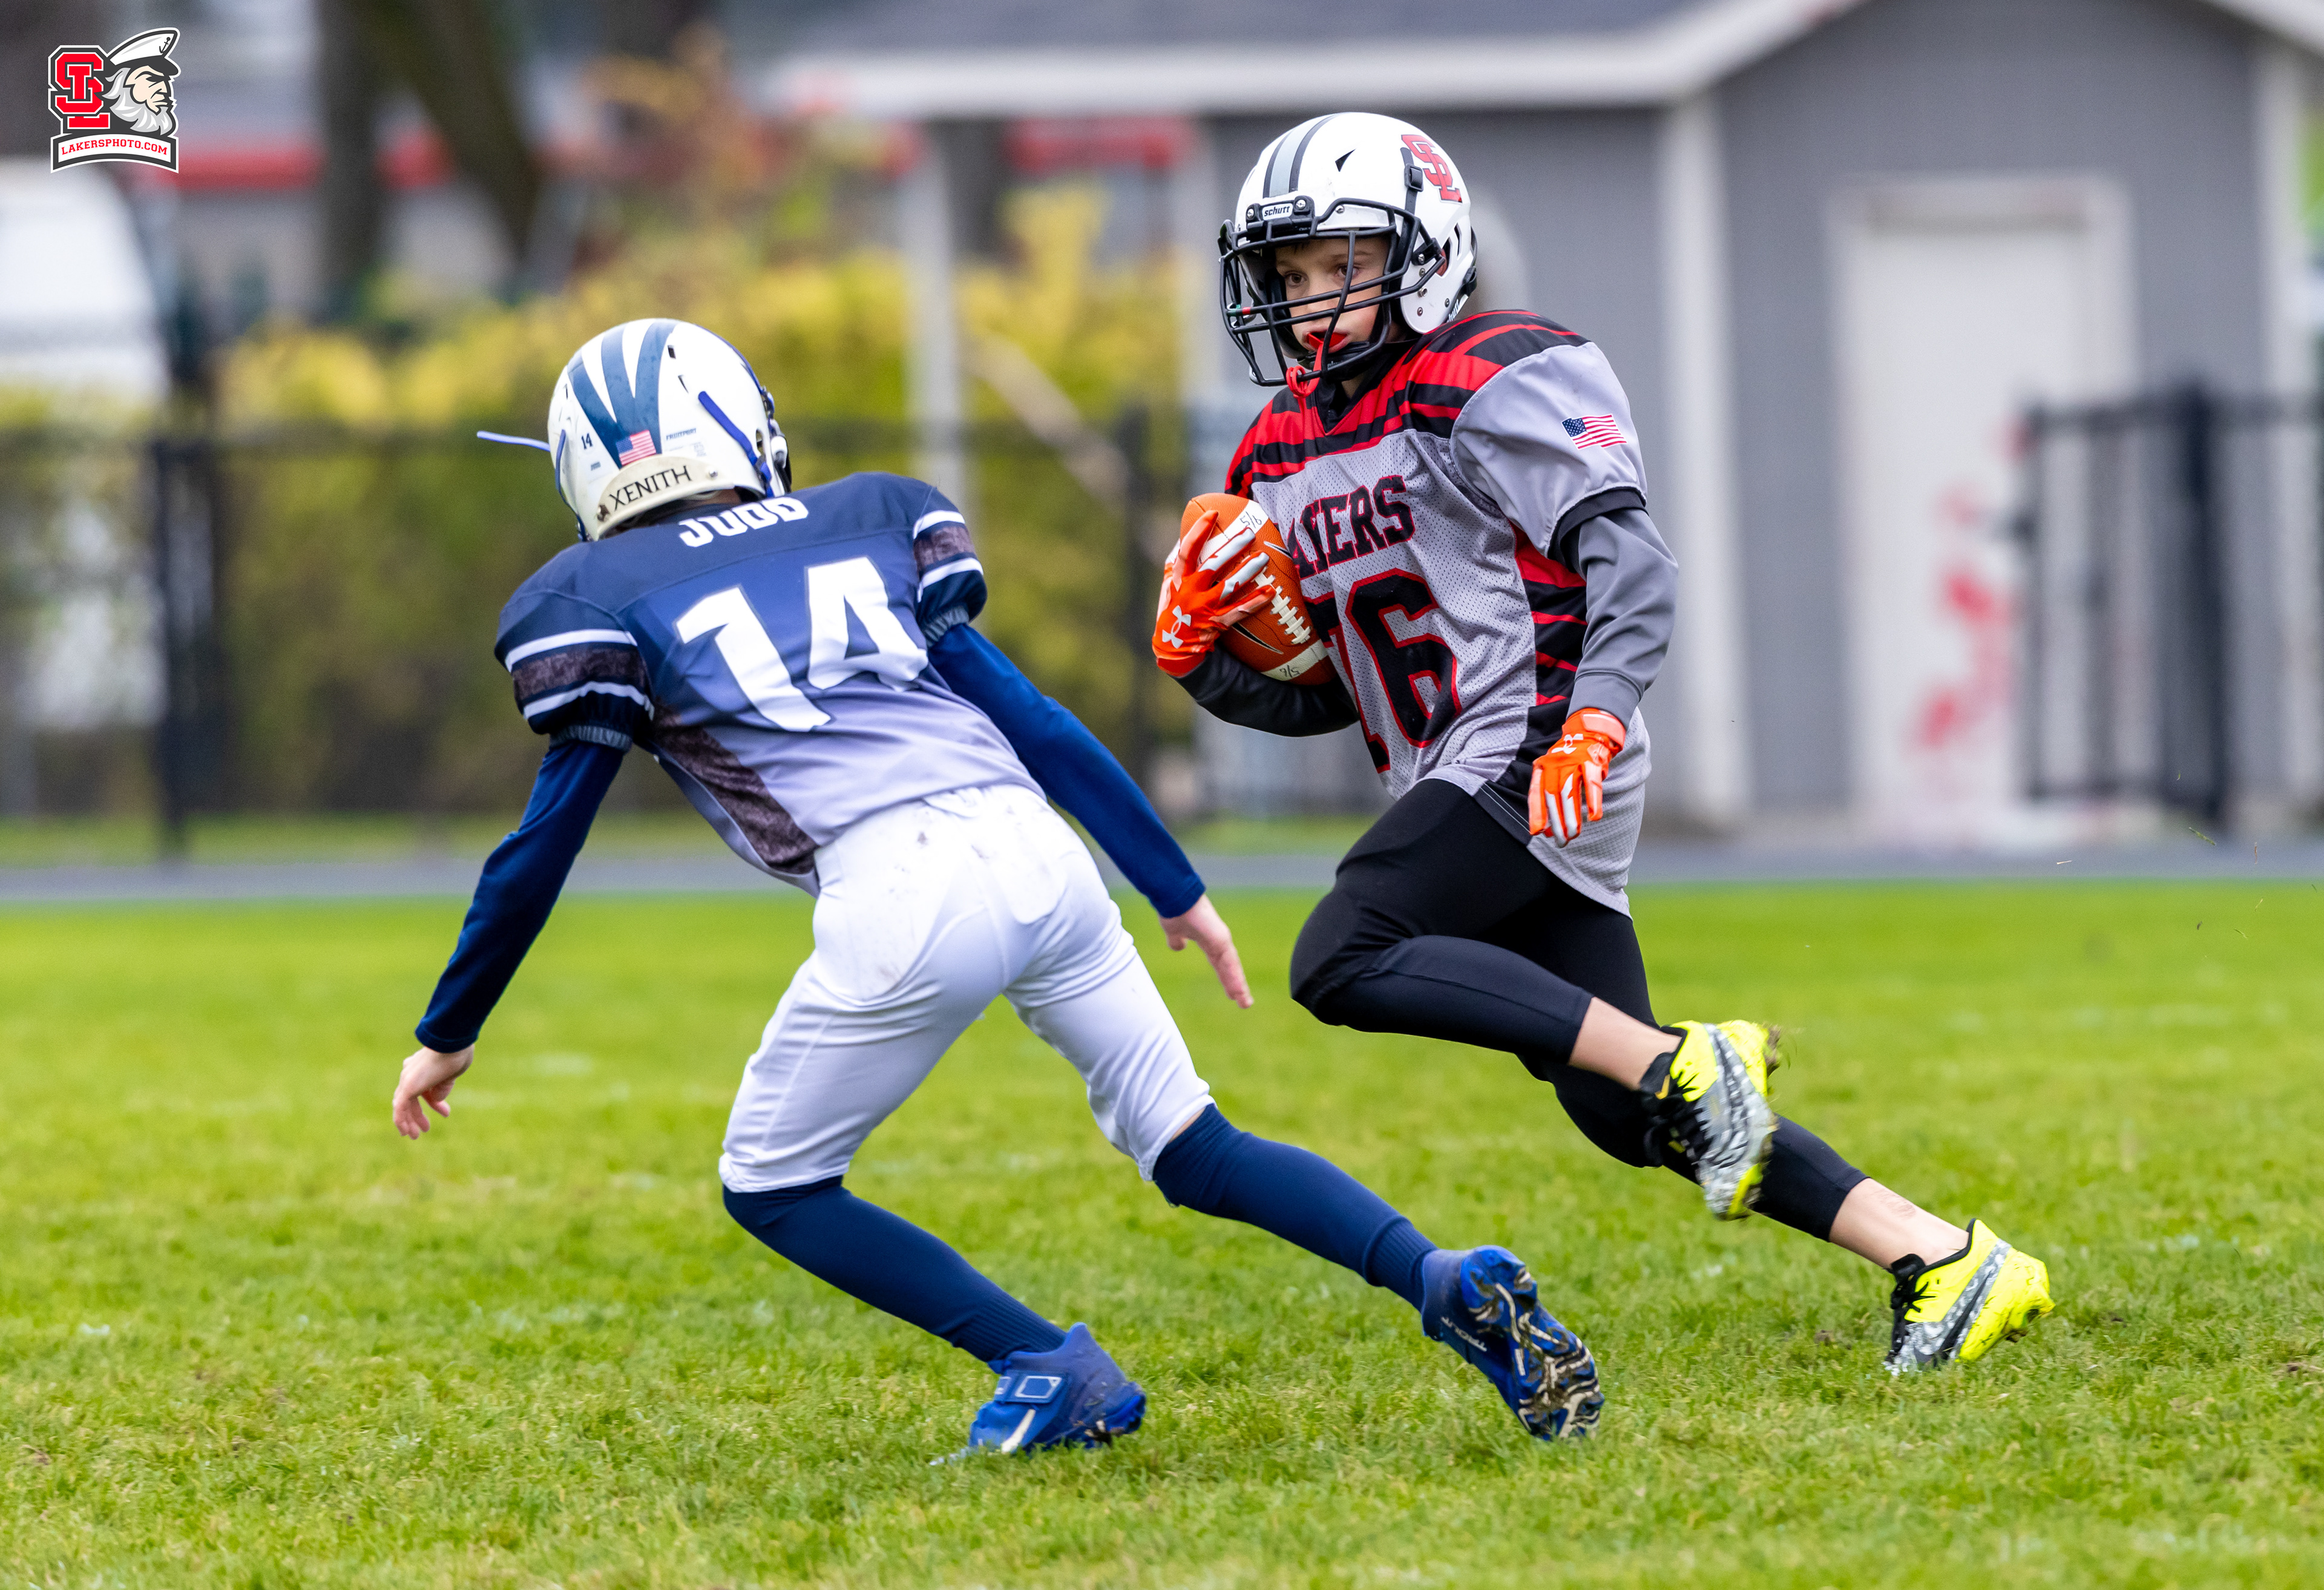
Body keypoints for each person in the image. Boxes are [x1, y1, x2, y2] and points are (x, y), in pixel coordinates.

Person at [389, 317, 1605, 1453]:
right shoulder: (864, 518)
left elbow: (541, 845)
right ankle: (1440, 1278)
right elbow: (1032, 715)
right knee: (1194, 1144)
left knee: (772, 1183)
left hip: (897, 889)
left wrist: (450, 1029)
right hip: (1039, 849)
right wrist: (1172, 885)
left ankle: (1046, 1364)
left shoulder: (592, 598)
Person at [1160, 114, 2052, 1373]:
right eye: (1290, 273)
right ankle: (1944, 1257)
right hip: (1456, 763)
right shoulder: (1277, 450)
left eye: (1339, 262)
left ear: (1425, 251)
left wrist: (1595, 716)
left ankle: (1698, 1063)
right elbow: (1342, 691)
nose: (1310, 298)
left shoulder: (1493, 371)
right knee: (1621, 1105)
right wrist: (1210, 667)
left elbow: (1630, 562)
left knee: (1342, 952)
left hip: (1540, 728)